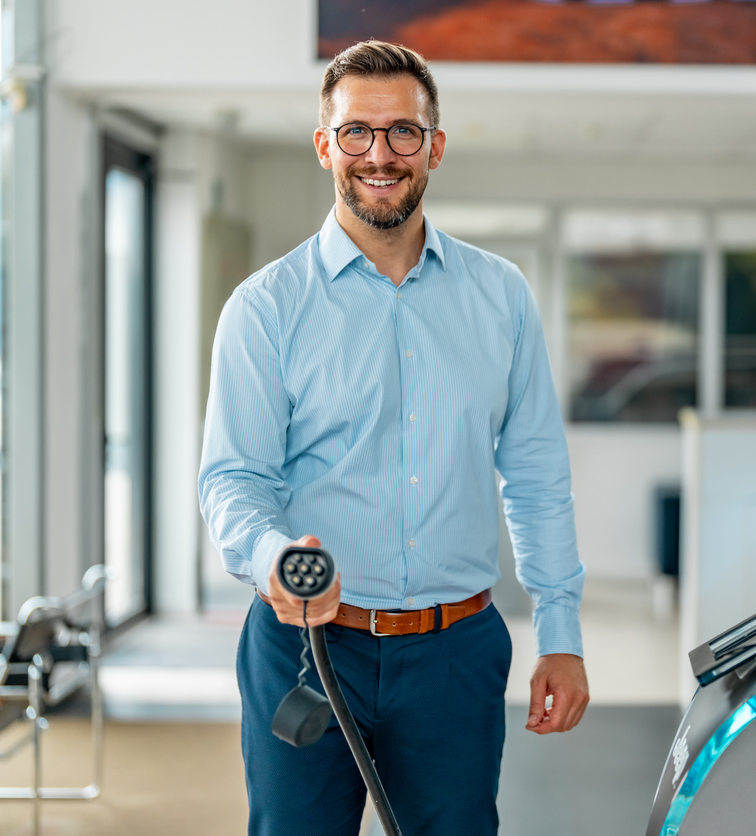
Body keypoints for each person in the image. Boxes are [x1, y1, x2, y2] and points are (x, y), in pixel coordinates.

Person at [198, 40, 589, 836]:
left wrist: (561, 631)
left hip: (455, 654)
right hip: (306, 649)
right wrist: (274, 556)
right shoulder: (265, 308)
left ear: (434, 146)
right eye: (356, 133)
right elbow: (233, 480)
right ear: (325, 147)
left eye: (403, 132)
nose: (380, 154)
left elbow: (537, 475)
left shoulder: (500, 296)